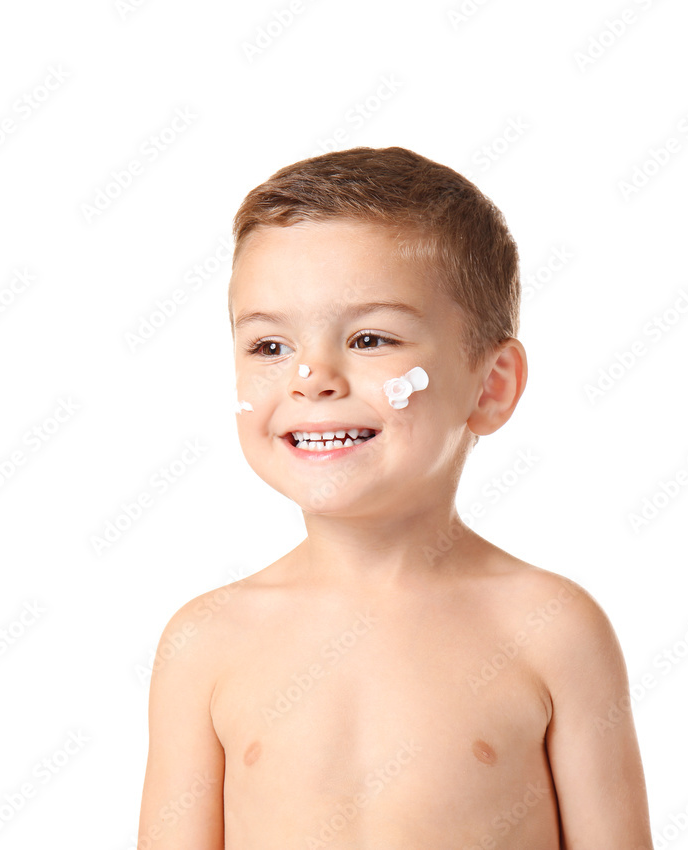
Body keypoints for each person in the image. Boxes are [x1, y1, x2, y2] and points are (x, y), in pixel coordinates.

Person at [137, 146, 653, 849]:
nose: (311, 376)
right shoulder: (206, 643)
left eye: (370, 337)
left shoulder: (552, 628)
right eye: (268, 347)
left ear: (491, 385)